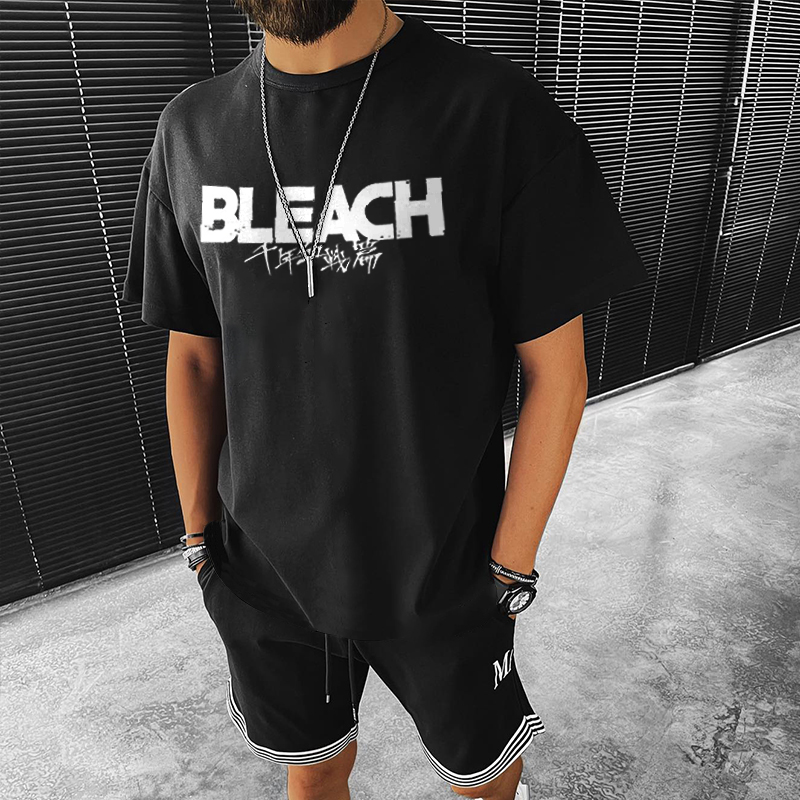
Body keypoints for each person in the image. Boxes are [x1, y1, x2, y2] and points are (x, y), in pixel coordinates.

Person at [122, 1, 649, 798]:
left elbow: (558, 374)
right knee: (314, 772)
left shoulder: (494, 114)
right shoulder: (190, 131)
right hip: (262, 572)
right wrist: (202, 541)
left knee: (484, 781)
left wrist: (508, 569)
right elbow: (195, 356)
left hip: (445, 569)